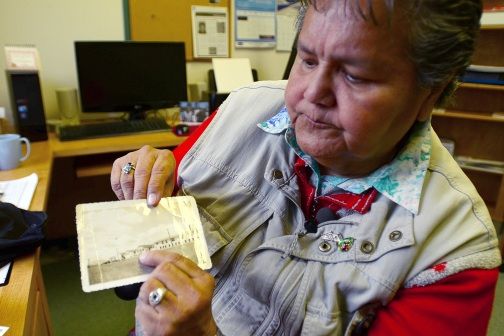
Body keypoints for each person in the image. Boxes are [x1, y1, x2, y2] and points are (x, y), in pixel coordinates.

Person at [110, 1, 502, 335]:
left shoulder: (452, 250)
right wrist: (142, 181)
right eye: (308, 58)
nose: (311, 94)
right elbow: (145, 230)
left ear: (429, 93)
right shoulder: (240, 110)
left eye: (356, 76)